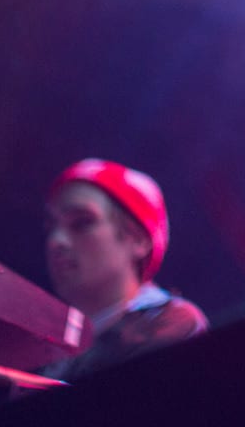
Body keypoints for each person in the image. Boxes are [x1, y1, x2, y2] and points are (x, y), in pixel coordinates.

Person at [41, 158, 207, 382]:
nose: (55, 241)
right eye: (51, 227)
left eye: (81, 222)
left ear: (138, 240)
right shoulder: (43, 347)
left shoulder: (171, 324)